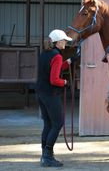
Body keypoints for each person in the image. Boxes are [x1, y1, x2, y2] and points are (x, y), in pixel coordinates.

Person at [36, 29, 76, 167]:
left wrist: (69, 61)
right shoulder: (57, 56)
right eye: (64, 40)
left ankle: (45, 155)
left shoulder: (45, 53)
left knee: (48, 123)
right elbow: (54, 79)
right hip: (51, 94)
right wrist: (64, 82)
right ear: (58, 42)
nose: (65, 42)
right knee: (58, 123)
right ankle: (48, 156)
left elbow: (54, 67)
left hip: (41, 93)